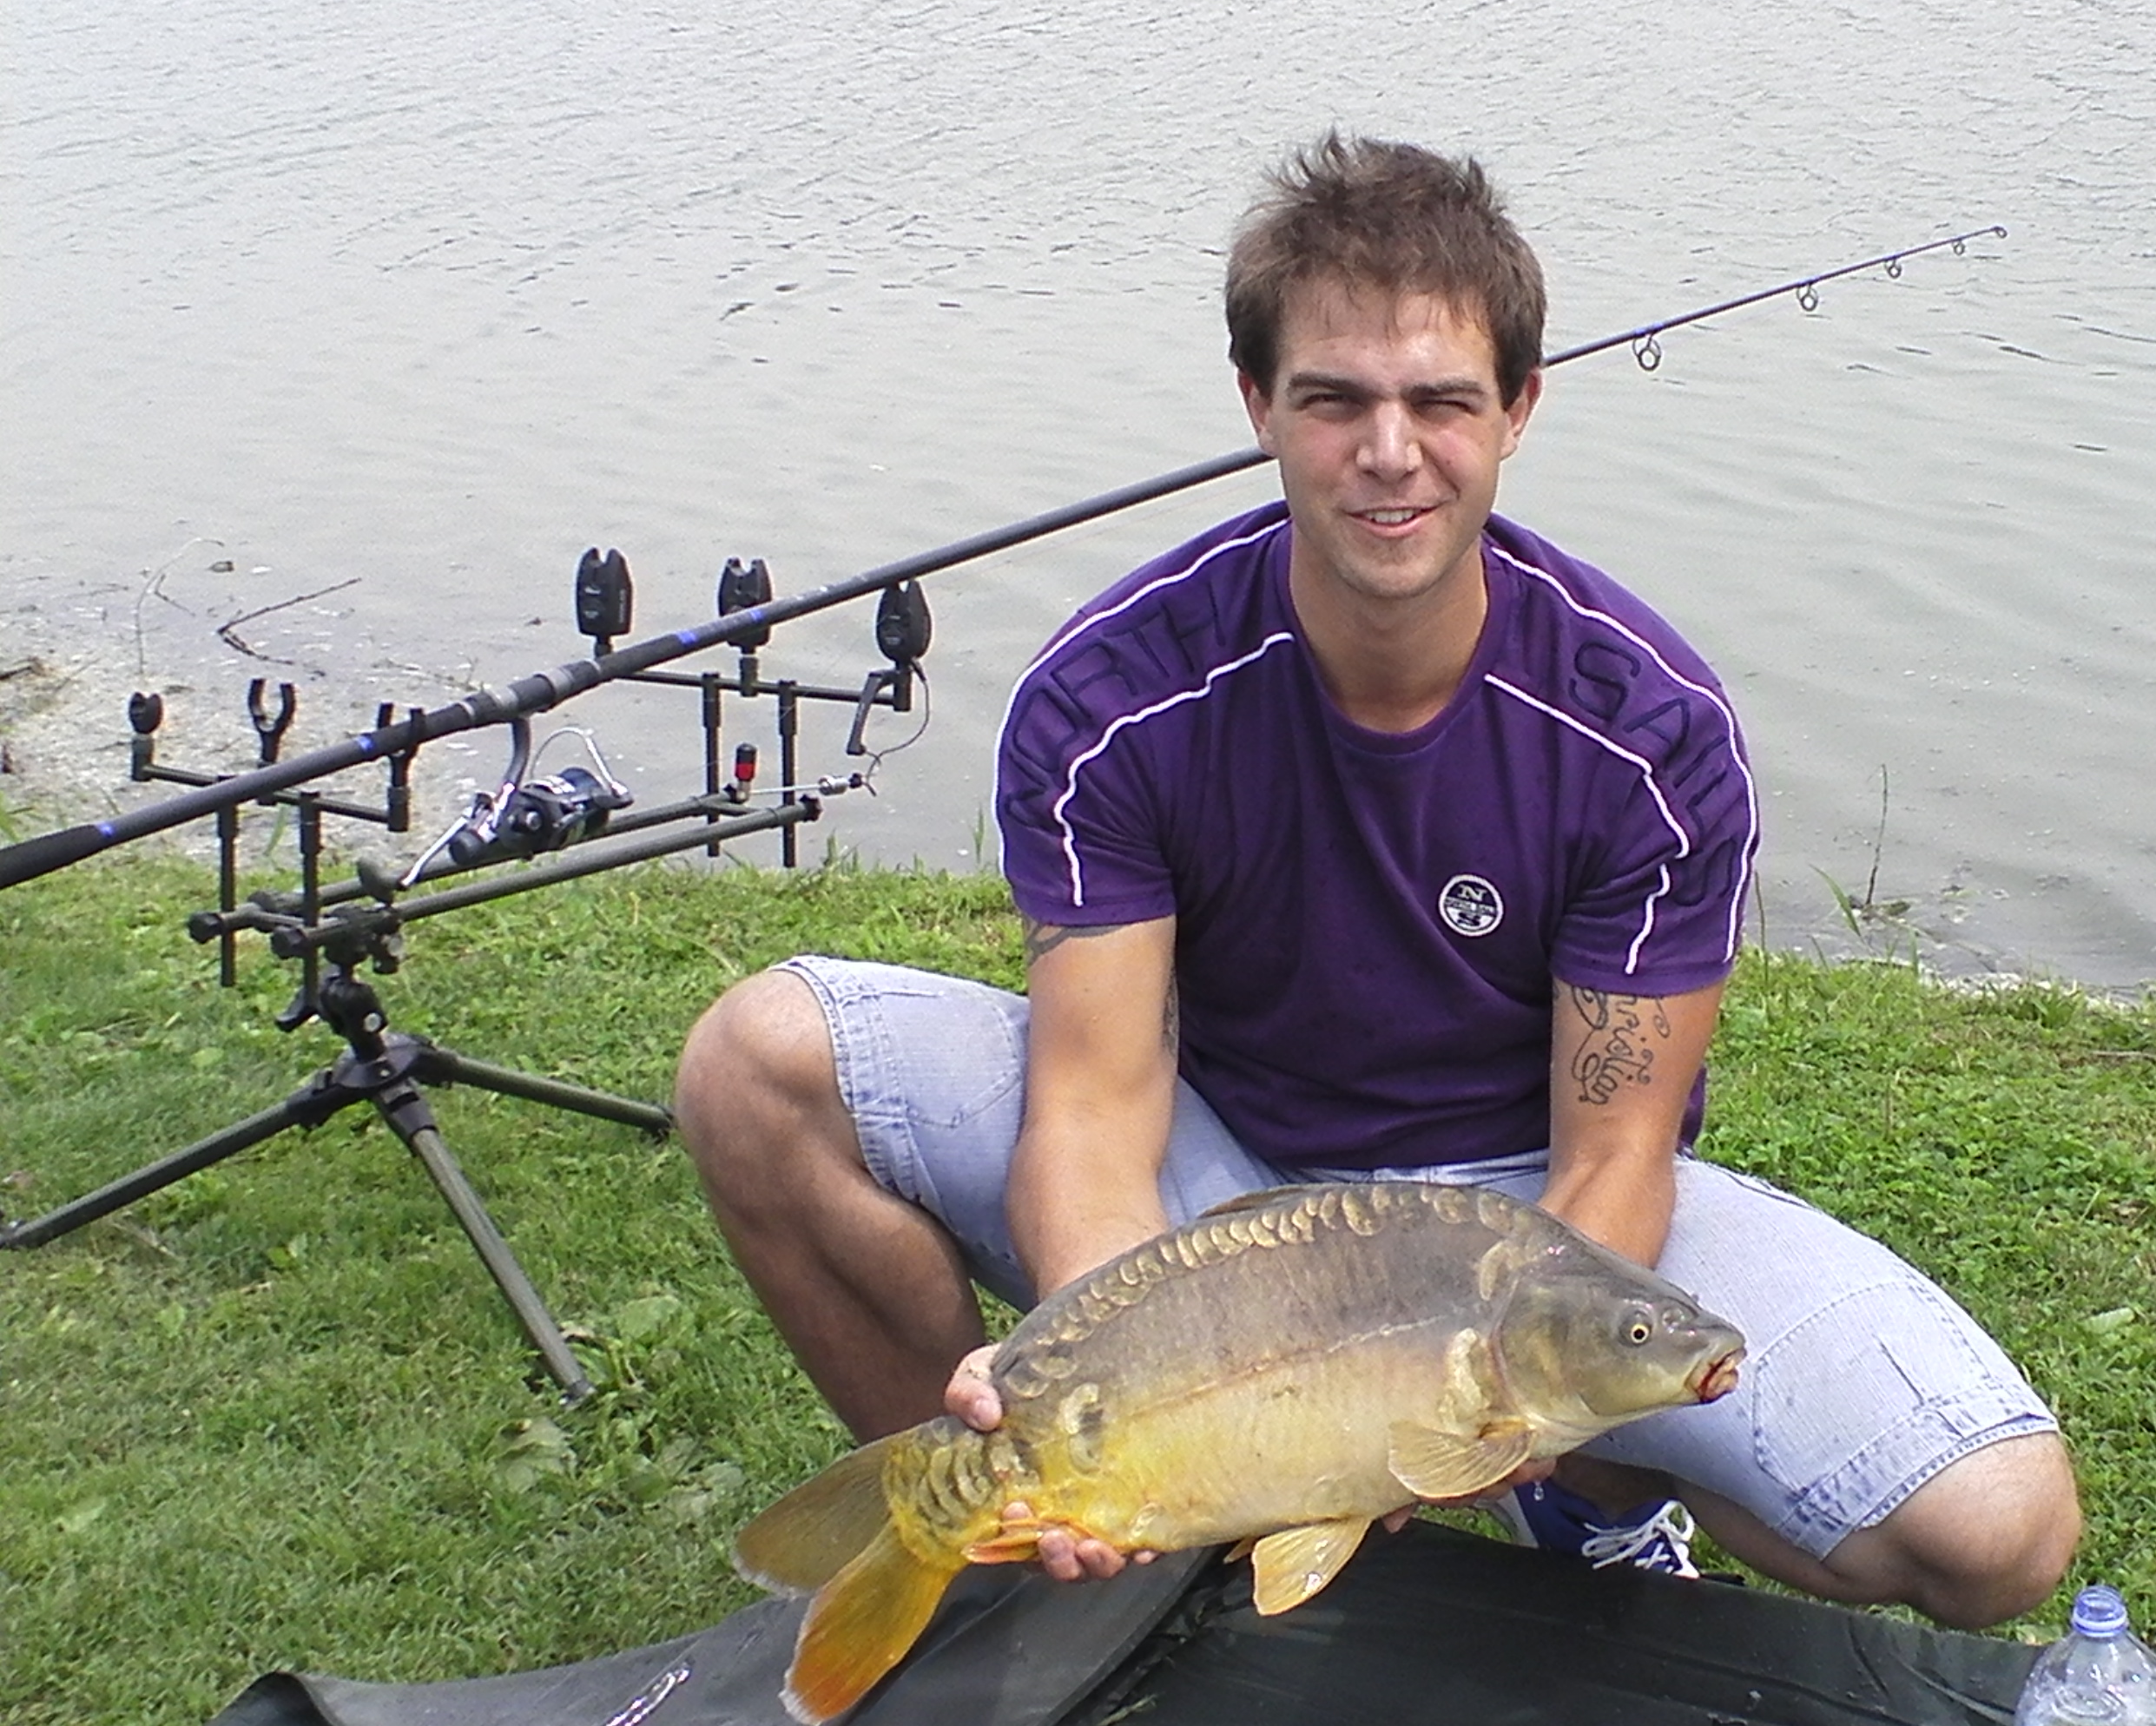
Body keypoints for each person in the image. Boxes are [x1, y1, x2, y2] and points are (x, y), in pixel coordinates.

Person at [675, 135, 2078, 1626]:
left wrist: (1492, 1415)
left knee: (1996, 1529)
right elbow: (1093, 1112)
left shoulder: (1646, 735)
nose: (1389, 453)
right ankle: (1024, 1535)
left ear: (1518, 409)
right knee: (756, 1064)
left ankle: (1587, 1490)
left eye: (1441, 402)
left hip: (1519, 1216)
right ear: (1259, 406)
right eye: (1335, 399)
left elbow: (1614, 1158)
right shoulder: (1114, 696)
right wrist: (1092, 1374)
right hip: (1219, 1189)